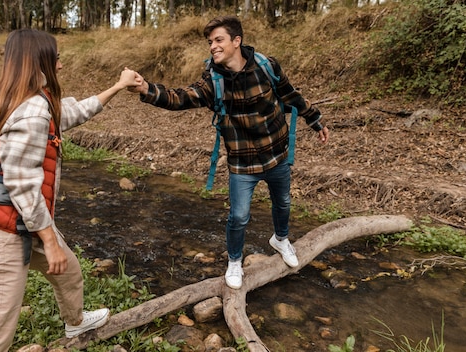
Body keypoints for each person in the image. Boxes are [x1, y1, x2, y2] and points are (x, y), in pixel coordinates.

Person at [0, 28, 140, 351]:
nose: (60, 64)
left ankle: (76, 322)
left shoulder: (8, 97)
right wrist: (49, 240)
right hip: (2, 232)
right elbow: (21, 182)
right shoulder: (31, 111)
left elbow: (73, 112)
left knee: (68, 271)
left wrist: (117, 86)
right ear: (38, 61)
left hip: (16, 221)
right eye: (55, 58)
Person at [128, 15, 329, 290]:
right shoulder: (213, 82)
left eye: (219, 40)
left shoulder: (266, 66)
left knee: (282, 204)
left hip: (276, 154)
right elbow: (179, 98)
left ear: (237, 41)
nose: (213, 46)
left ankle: (281, 239)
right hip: (242, 162)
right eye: (210, 42)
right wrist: (146, 88)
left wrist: (314, 119)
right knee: (238, 216)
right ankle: (235, 260)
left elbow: (290, 94)